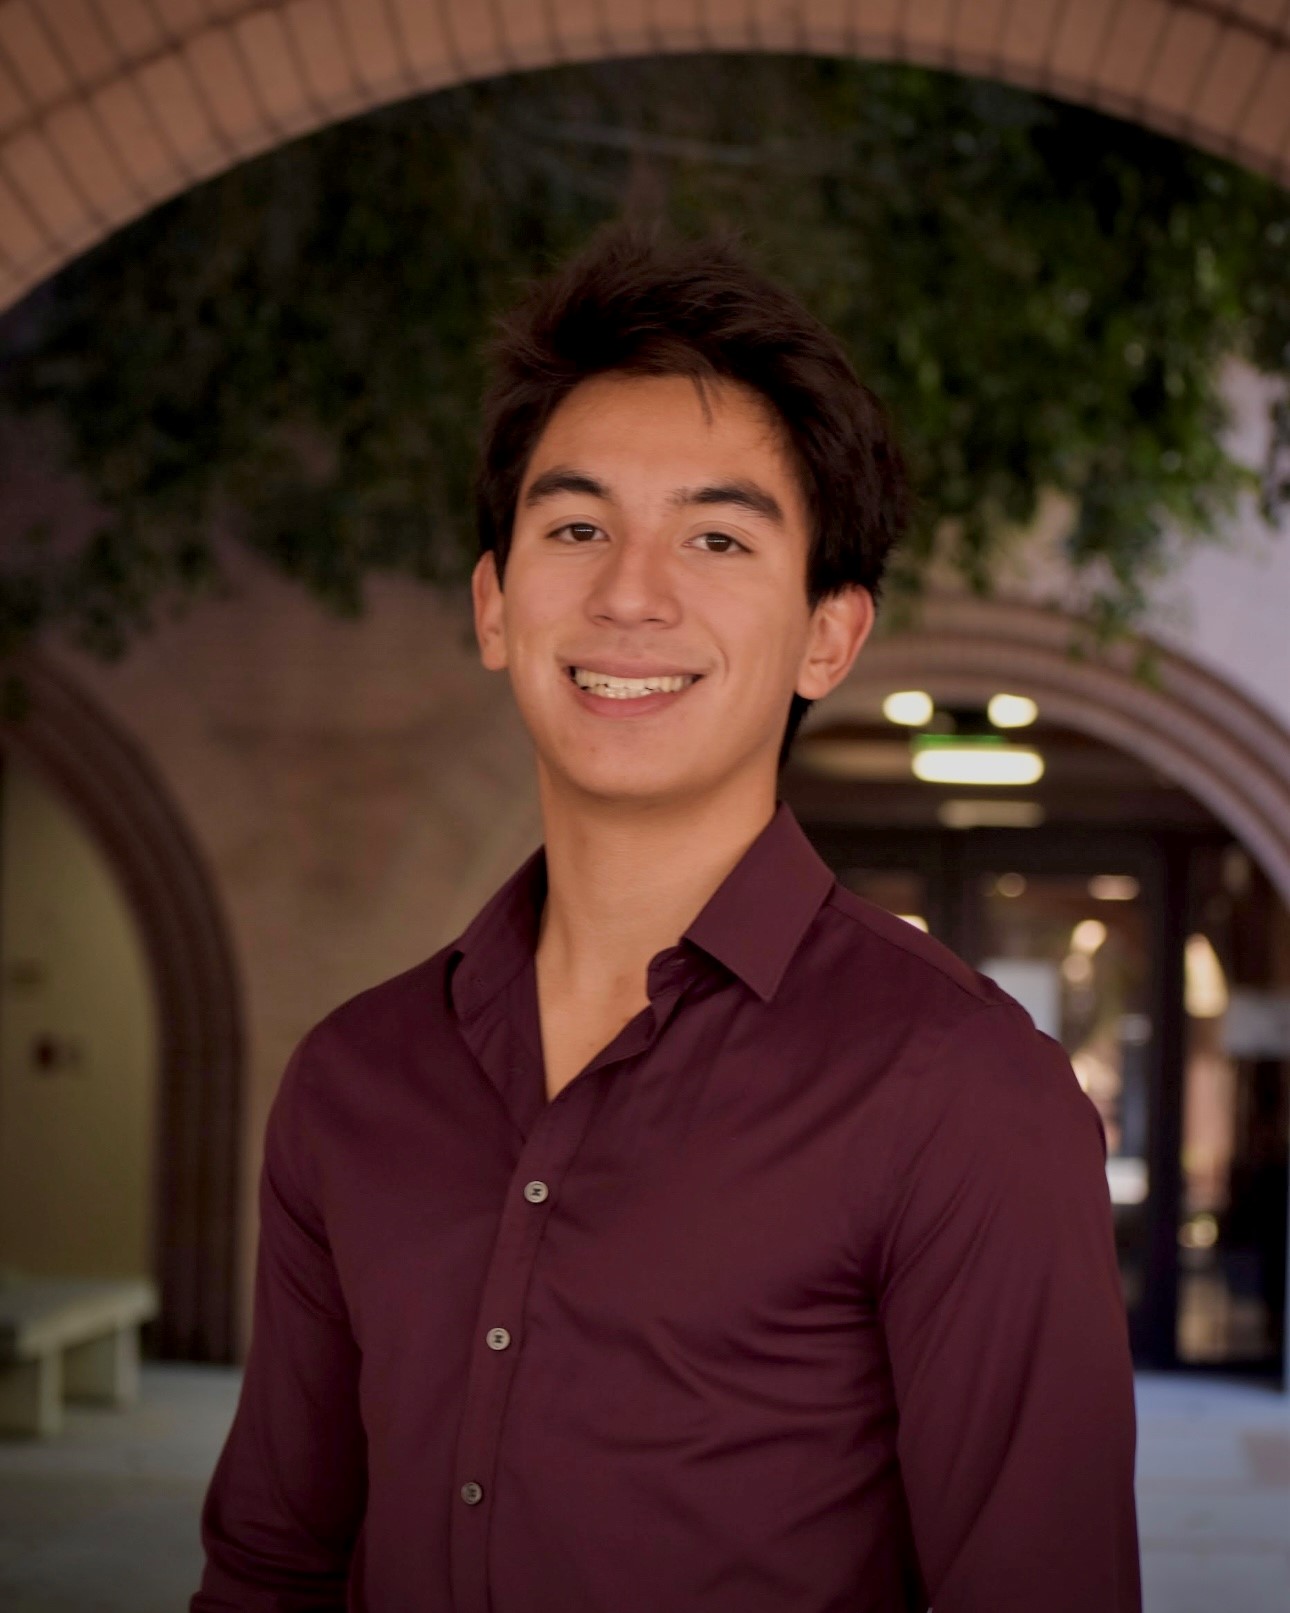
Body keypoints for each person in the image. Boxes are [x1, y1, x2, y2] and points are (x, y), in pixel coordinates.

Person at [192, 225, 1141, 1613]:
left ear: (830, 633)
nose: (629, 593)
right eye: (575, 528)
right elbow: (269, 1571)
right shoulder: (351, 1081)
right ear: (495, 603)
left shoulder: (962, 1096)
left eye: (713, 536)